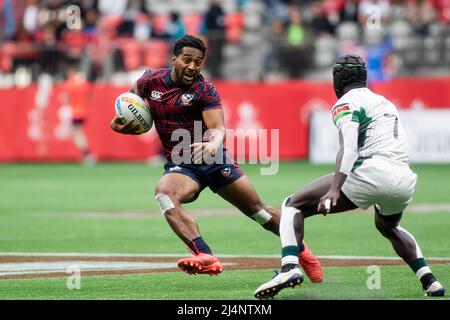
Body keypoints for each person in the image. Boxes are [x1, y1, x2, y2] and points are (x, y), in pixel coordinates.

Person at [110, 35, 322, 281]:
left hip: (214, 160)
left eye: (198, 62)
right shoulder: (149, 81)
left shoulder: (204, 89)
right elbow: (133, 99)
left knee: (259, 212)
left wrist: (212, 143)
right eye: (187, 60)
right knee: (165, 195)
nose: (192, 66)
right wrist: (125, 123)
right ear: (174, 59)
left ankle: (303, 251)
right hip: (181, 164)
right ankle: (205, 255)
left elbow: (219, 128)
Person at [254, 55, 445, 298]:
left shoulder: (346, 102)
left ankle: (290, 267)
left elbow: (350, 147)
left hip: (372, 171)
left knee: (292, 205)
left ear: (338, 79)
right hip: (404, 178)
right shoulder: (385, 102)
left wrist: (335, 189)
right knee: (389, 226)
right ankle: (429, 280)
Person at [59, 62, 95, 165]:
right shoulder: (84, 83)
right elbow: (90, 98)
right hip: (83, 111)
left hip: (75, 112)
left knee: (77, 133)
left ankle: (87, 155)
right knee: (76, 133)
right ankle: (86, 155)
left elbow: (64, 98)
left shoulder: (69, 83)